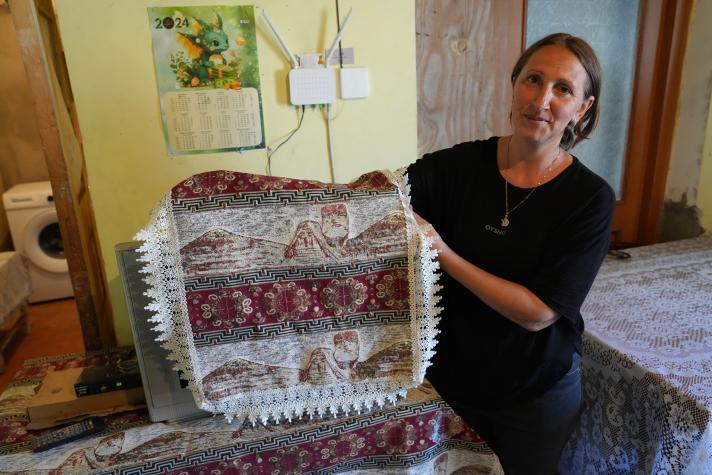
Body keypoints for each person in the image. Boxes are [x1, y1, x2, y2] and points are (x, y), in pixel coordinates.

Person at [407, 33, 615, 474]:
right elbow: (384, 197)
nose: (541, 99)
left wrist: (443, 253)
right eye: (533, 79)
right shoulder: (458, 168)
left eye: (563, 89)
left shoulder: (589, 198)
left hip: (533, 397)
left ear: (582, 108)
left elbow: (539, 313)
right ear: (514, 82)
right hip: (450, 384)